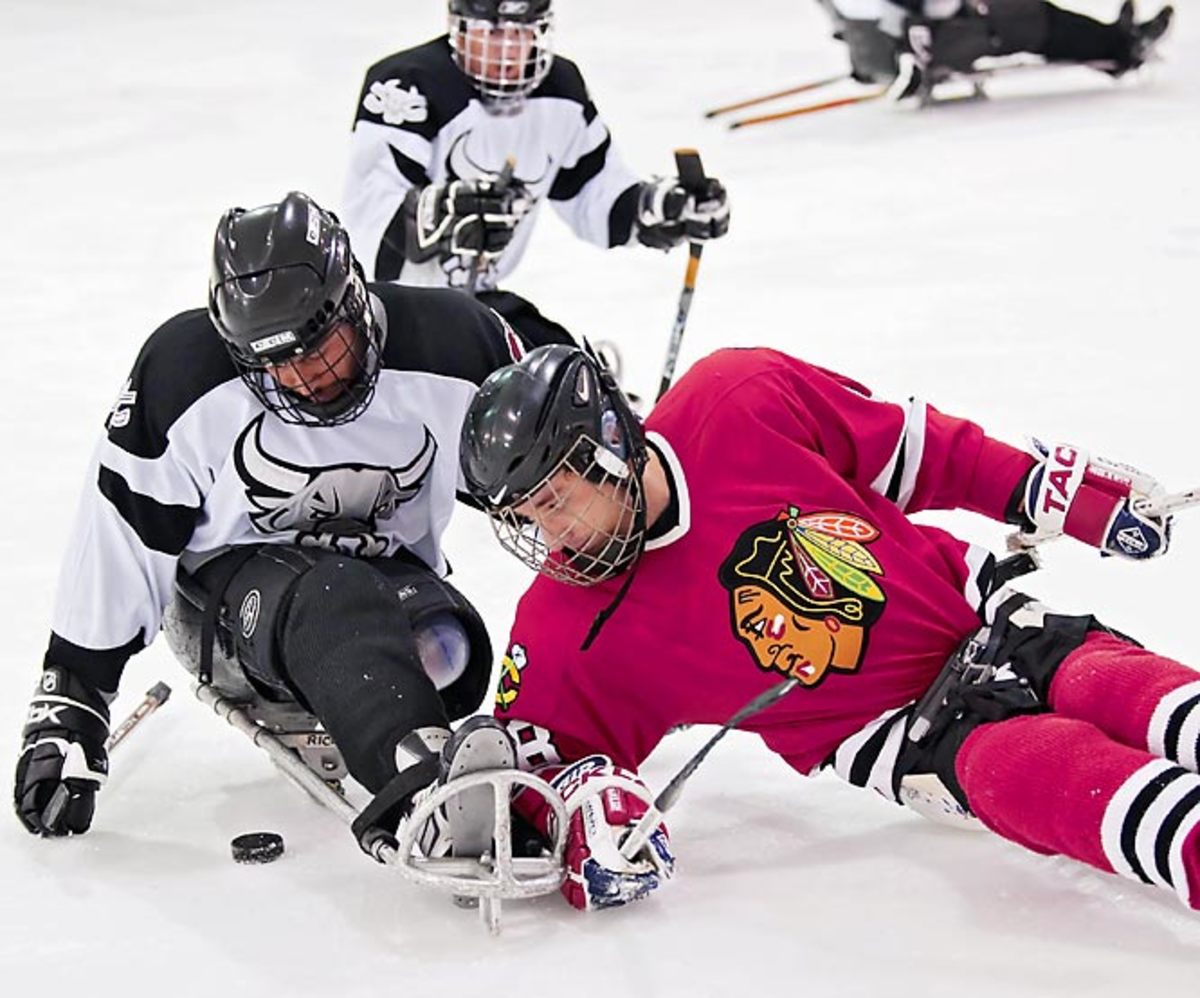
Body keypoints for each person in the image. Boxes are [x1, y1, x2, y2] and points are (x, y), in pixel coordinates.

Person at [456, 342, 1200, 914]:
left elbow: (919, 451)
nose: (547, 537)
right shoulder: (563, 627)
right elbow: (529, 770)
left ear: (608, 446)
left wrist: (1042, 489)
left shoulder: (737, 397)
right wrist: (583, 809)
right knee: (1040, 775)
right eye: (525, 517)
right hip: (903, 735)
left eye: (553, 501)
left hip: (985, 616)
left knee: (1125, 688)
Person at [13, 190, 526, 857]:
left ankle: (401, 725)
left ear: (353, 302)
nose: (302, 377)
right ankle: (422, 784)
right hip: (225, 599)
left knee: (450, 651)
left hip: (387, 584)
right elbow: (121, 528)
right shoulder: (183, 371)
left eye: (320, 347)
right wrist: (72, 702)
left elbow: (547, 477)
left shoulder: (455, 342)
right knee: (337, 596)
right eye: (272, 361)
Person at [341, 0, 729, 352]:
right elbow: (373, 215)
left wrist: (659, 208)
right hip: (388, 314)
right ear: (460, 28)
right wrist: (443, 211)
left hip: (476, 305)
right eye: (492, 32)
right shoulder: (406, 84)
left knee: (569, 370)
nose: (508, 48)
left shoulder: (560, 90)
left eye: (521, 31)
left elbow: (597, 193)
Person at [814, 0, 1173, 93]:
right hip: (919, 46)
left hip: (886, 47)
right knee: (1026, 17)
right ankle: (1120, 48)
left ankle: (1114, 41)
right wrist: (909, 50)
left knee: (1020, 12)